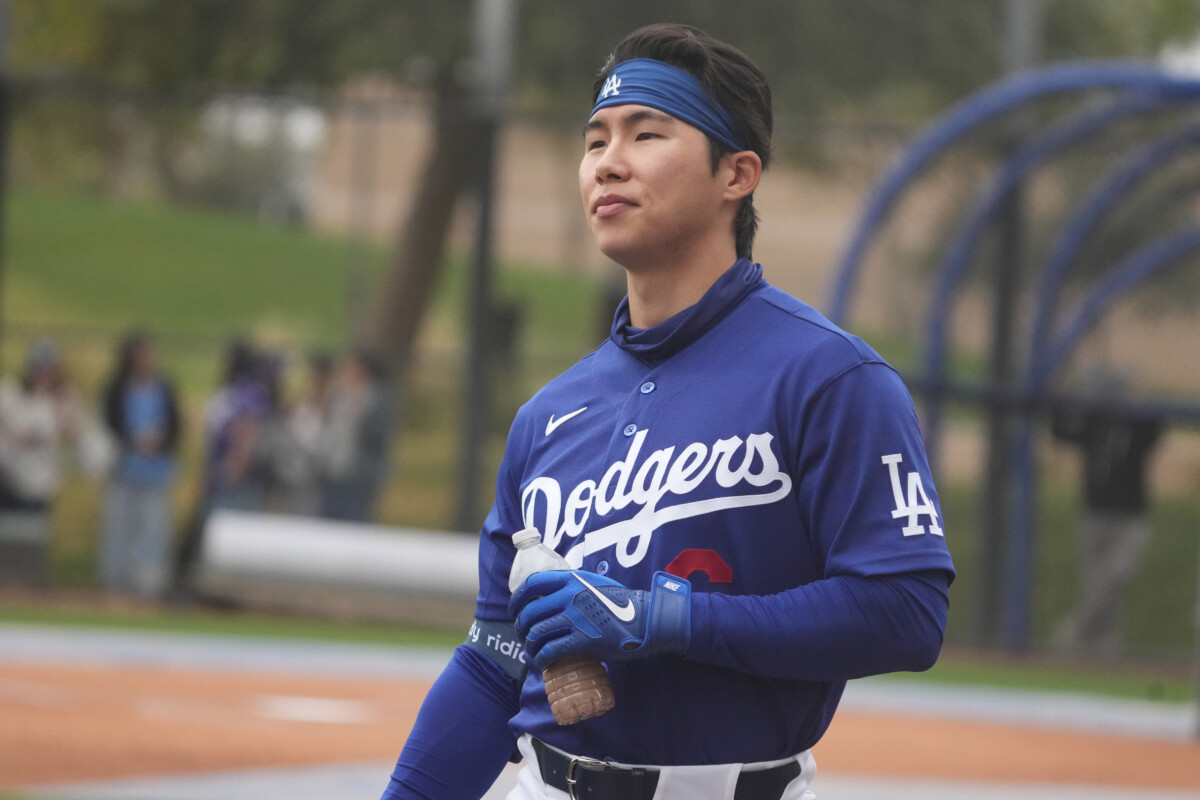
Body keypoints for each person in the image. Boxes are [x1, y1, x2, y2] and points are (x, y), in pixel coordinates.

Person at [379, 24, 955, 800]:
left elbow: (907, 610)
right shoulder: (548, 416)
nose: (608, 161)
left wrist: (669, 620)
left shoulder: (831, 376)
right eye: (594, 140)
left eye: (647, 133)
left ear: (737, 174)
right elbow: (494, 662)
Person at [1051, 366, 1163, 655]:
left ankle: (1078, 629)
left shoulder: (1139, 425)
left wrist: (1138, 400)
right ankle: (1103, 645)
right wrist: (1064, 396)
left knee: (1118, 575)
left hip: (1131, 513)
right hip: (1095, 511)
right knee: (1094, 579)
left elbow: (1156, 430)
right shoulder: (1095, 422)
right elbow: (1061, 432)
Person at [0, 339, 108, 586]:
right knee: (10, 534)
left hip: (42, 481)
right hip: (10, 478)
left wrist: (62, 414)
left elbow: (74, 435)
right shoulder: (11, 393)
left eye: (49, 367)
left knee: (34, 537)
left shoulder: (63, 398)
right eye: (40, 367)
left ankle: (27, 585)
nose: (44, 373)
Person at [98, 332, 182, 599]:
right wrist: (132, 441)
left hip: (155, 471)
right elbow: (108, 424)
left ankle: (148, 584)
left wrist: (159, 440)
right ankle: (114, 582)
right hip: (124, 469)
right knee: (118, 527)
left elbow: (176, 425)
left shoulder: (164, 387)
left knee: (153, 530)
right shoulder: (117, 387)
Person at [318, 347, 391, 522]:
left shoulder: (379, 398)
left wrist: (360, 410)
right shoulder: (339, 394)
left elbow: (379, 434)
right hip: (334, 469)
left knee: (355, 520)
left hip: (360, 473)